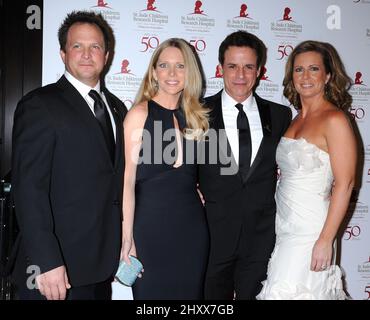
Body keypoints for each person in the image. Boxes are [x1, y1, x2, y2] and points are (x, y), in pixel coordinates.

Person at [11, 11, 127, 300]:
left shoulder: (117, 109)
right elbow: (29, 190)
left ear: (107, 55)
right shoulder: (39, 105)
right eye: (77, 46)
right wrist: (47, 261)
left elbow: (120, 178)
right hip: (55, 271)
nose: (87, 54)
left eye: (95, 47)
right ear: (63, 53)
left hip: (101, 267)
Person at [257, 40, 356, 300]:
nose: (305, 76)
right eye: (298, 70)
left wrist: (325, 240)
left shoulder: (335, 120)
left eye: (314, 69)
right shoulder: (294, 120)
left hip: (313, 230)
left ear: (328, 76)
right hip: (285, 228)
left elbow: (344, 185)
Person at [198, 30, 292, 299]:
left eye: (248, 66)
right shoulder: (197, 111)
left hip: (261, 237)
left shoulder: (280, 114)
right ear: (220, 69)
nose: (240, 75)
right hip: (211, 235)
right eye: (233, 66)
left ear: (260, 70)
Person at [121, 38, 209, 299]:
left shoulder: (195, 117)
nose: (172, 73)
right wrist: (127, 238)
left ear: (189, 72)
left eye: (180, 66)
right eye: (164, 65)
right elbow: (126, 181)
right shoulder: (139, 114)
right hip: (149, 231)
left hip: (192, 231)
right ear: (154, 72)